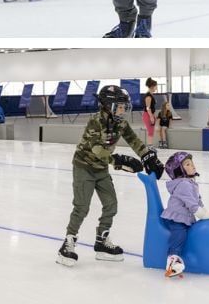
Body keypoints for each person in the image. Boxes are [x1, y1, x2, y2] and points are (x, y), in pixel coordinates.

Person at [57, 85, 164, 267]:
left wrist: (147, 156)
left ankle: (101, 241)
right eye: (119, 107)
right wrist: (118, 160)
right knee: (82, 207)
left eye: (124, 107)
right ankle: (68, 243)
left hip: (101, 169)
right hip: (84, 167)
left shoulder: (120, 123)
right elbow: (96, 149)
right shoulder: (96, 122)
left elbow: (134, 140)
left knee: (111, 204)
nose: (123, 110)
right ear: (108, 106)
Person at [160, 151, 209, 278]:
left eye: (192, 163)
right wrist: (202, 214)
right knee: (180, 235)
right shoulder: (184, 185)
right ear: (179, 170)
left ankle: (183, 258)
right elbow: (193, 206)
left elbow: (198, 201)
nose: (193, 166)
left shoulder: (190, 183)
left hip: (184, 218)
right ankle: (172, 262)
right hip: (176, 219)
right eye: (187, 164)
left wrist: (206, 212)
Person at [142, 77, 157, 148]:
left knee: (151, 131)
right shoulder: (148, 96)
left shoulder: (150, 95)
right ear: (152, 86)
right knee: (150, 131)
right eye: (155, 86)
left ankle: (150, 146)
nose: (156, 87)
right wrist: (151, 117)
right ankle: (150, 147)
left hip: (150, 114)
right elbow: (148, 108)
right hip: (147, 115)